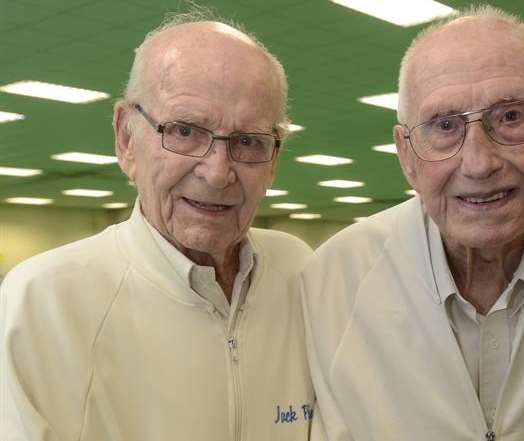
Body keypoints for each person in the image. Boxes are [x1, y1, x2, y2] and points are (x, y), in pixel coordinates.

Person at [301, 5, 524, 441]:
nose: (478, 162)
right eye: (445, 125)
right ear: (406, 155)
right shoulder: (335, 280)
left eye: (510, 116)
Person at [0, 11, 314, 441]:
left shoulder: (302, 274)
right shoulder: (42, 304)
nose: (218, 171)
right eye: (185, 130)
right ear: (126, 138)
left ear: (273, 160)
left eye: (248, 141)